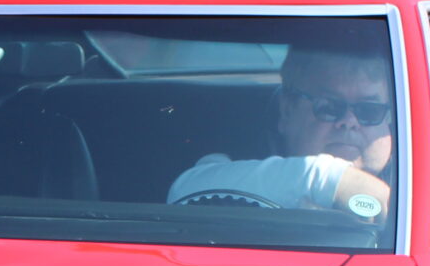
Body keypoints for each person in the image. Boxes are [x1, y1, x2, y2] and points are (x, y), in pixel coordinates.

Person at [169, 44, 402, 219]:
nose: (349, 122)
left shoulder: (418, 184)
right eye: (329, 107)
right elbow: (185, 191)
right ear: (287, 110)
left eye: (369, 110)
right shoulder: (239, 162)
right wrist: (328, 178)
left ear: (390, 119)